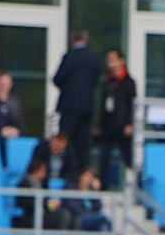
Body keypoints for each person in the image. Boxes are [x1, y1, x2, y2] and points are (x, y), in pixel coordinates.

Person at [52, 29, 101, 164]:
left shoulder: (69, 57)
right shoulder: (94, 58)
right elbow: (96, 81)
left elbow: (57, 79)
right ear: (86, 39)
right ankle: (83, 173)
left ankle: (66, 171)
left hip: (69, 106)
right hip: (87, 107)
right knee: (83, 144)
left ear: (72, 39)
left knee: (65, 141)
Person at [94, 49, 136, 190]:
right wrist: (99, 125)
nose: (109, 62)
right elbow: (103, 106)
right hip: (108, 126)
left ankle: (139, 186)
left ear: (121, 61)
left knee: (128, 158)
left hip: (122, 126)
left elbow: (132, 105)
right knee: (104, 157)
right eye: (108, 59)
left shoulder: (128, 82)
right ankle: (103, 187)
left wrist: (130, 123)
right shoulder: (107, 82)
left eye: (112, 59)